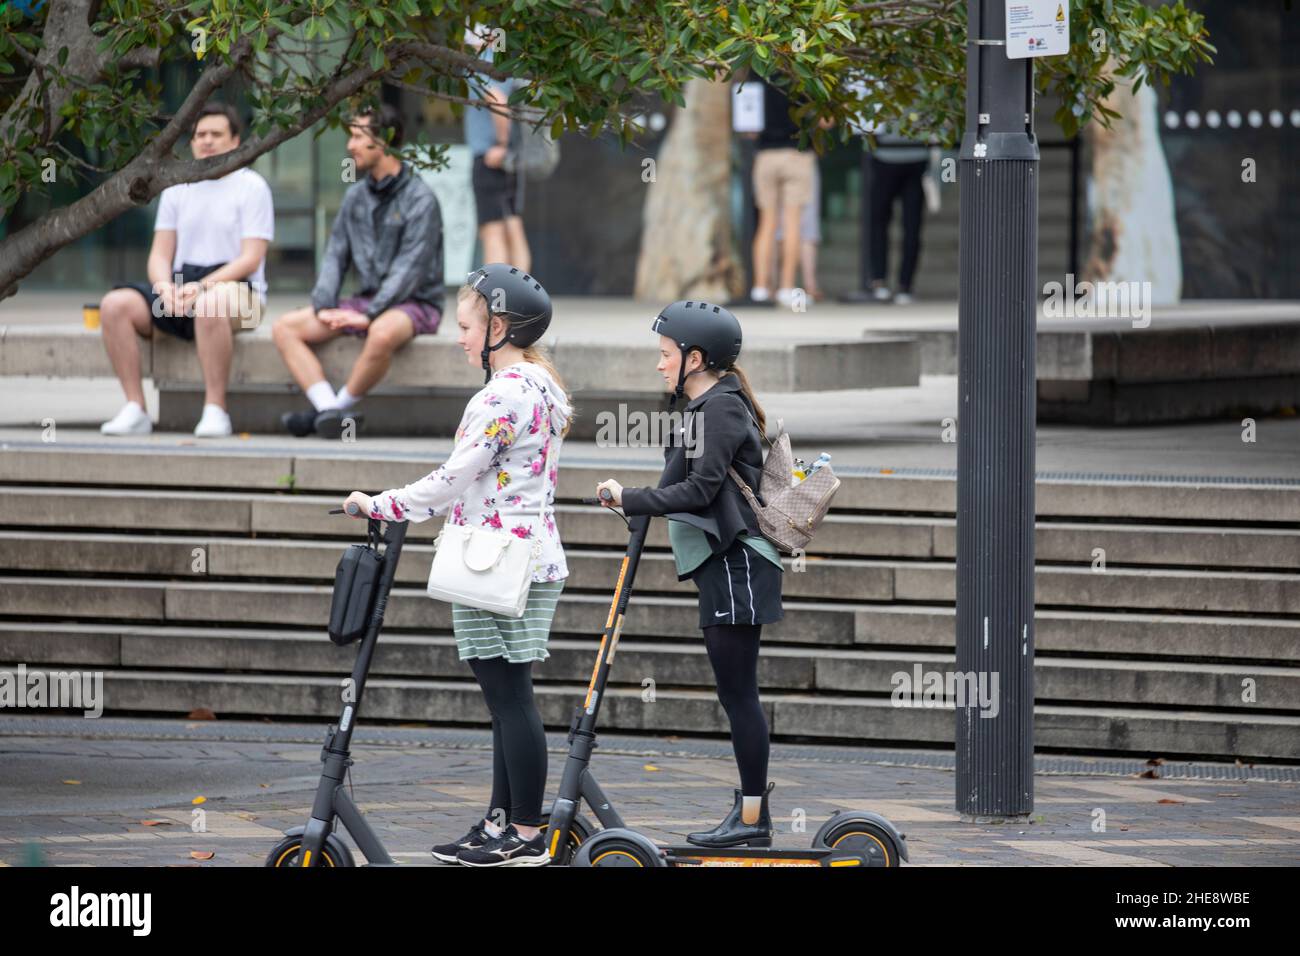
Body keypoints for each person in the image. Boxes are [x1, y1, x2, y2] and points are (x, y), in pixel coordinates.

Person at [342, 264, 570, 867]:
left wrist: (380, 502)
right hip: (531, 558)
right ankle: (502, 823)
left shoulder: (503, 395)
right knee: (509, 700)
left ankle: (523, 837)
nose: (461, 337)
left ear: (499, 326)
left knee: (511, 701)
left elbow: (451, 481)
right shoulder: (543, 387)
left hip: (492, 559)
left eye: (467, 326)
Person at [594, 301, 784, 848]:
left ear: (694, 358)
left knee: (739, 694)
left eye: (665, 355)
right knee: (735, 693)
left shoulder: (720, 409)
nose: (658, 365)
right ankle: (751, 818)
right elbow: (679, 479)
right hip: (725, 566)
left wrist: (631, 497)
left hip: (739, 564)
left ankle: (753, 822)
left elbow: (700, 490)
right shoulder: (706, 406)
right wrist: (630, 500)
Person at [98, 101, 273, 438]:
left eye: (216, 134)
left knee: (209, 304)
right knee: (114, 305)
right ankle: (135, 408)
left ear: (235, 141)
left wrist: (202, 287)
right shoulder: (178, 186)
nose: (206, 140)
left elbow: (251, 258)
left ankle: (215, 410)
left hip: (240, 292)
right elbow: (159, 255)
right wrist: (164, 287)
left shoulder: (252, 187)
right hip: (181, 288)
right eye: (200, 134)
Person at [272, 104, 445, 439]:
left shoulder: (421, 198)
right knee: (284, 328)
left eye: (357, 137)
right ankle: (330, 411)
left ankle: (330, 412)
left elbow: (409, 269)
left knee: (380, 332)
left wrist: (371, 314)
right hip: (367, 302)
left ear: (385, 141)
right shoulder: (355, 196)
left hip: (416, 302)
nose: (349, 146)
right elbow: (335, 255)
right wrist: (324, 306)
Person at [748, 73, 832, 308]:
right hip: (797, 154)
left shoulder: (757, 70)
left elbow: (749, 129)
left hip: (765, 156)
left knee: (767, 222)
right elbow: (826, 121)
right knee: (793, 223)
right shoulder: (807, 72)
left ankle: (761, 287)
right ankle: (786, 288)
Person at [464, 32, 531, 271]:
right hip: (509, 159)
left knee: (492, 231)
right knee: (513, 225)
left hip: (489, 157)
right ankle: (522, 298)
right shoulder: (507, 65)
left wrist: (501, 144)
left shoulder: (479, 67)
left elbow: (497, 100)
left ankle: (496, 299)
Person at [867, 124, 930, 304]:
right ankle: (901, 285)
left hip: (908, 157)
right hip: (893, 155)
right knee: (905, 225)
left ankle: (890, 283)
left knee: (905, 225)